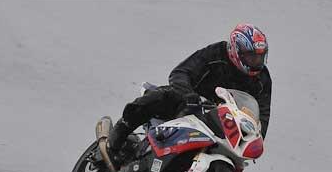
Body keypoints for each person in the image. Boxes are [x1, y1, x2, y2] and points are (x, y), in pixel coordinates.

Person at [107, 24, 272, 163]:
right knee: (159, 96)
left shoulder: (262, 79)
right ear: (237, 51)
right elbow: (180, 72)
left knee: (237, 159)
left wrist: (256, 138)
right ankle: (117, 137)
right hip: (189, 102)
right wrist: (188, 95)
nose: (257, 62)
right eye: (252, 57)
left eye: (260, 57)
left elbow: (262, 114)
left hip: (222, 123)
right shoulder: (216, 53)